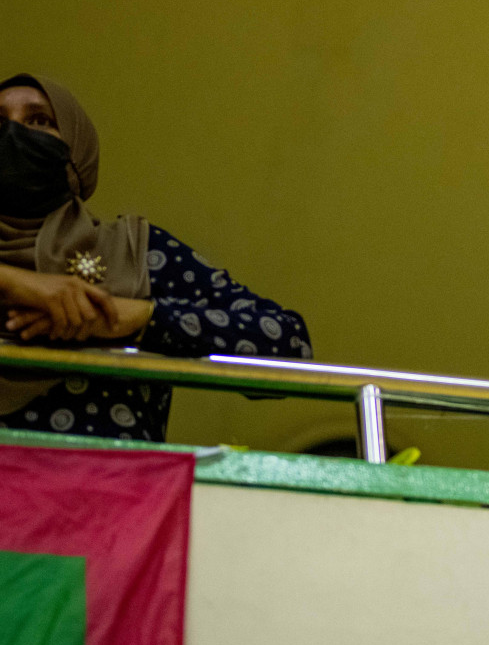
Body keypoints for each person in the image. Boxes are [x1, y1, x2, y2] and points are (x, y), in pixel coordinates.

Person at [0, 72, 312, 441]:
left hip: (109, 491)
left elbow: (289, 346)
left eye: (39, 121)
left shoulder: (133, 250)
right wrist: (17, 283)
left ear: (76, 149)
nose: (13, 133)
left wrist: (139, 318)